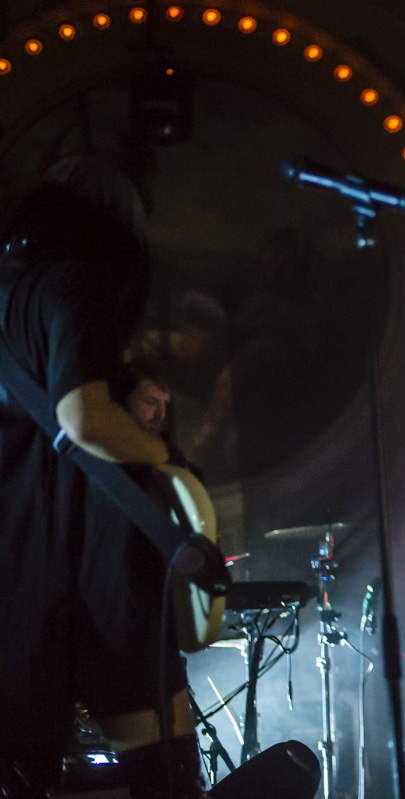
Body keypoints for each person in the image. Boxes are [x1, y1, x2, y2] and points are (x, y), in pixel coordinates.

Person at [0, 158, 202, 798]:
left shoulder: (10, 291)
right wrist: (159, 456)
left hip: (13, 588)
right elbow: (81, 418)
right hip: (99, 575)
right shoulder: (74, 283)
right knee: (163, 777)